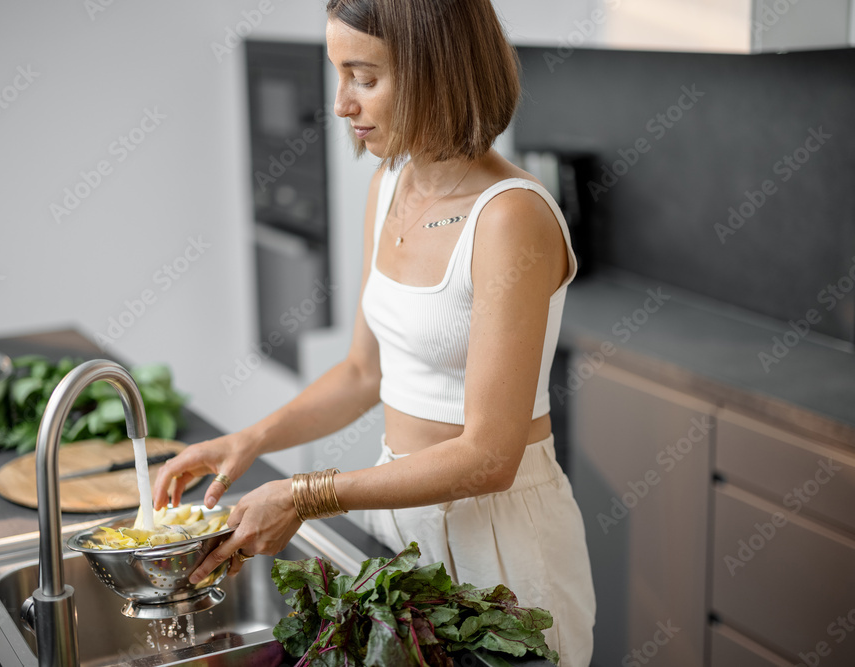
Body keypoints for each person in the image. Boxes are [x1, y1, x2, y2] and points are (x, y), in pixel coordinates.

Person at [152, 0, 595, 663]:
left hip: (500, 547)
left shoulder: (510, 218)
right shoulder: (391, 185)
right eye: (339, 75)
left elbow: (489, 457)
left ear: (433, 71)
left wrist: (305, 494)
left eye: (363, 77)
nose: (341, 104)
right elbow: (365, 371)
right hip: (396, 523)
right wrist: (250, 440)